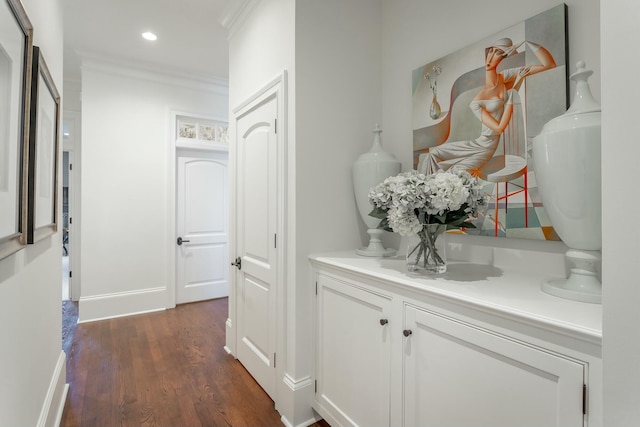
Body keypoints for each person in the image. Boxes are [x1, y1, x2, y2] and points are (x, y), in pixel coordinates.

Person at [418, 38, 556, 177]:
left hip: (487, 149)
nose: (489, 57)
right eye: (490, 51)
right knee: (433, 155)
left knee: (458, 171)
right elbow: (498, 128)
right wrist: (517, 83)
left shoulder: (505, 76)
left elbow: (548, 64)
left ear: (503, 57)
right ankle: (427, 192)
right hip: (478, 143)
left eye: (497, 52)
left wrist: (528, 42)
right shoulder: (476, 102)